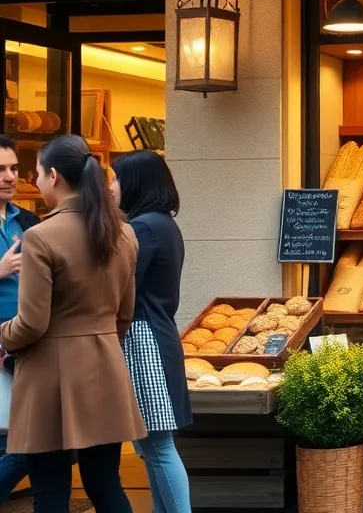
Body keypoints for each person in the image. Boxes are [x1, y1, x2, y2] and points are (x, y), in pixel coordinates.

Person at [0, 135, 145, 512]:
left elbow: (31, 322)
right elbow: (124, 313)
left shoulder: (40, 236)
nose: (31, 179)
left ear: (53, 176)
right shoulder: (124, 232)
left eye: (35, 173)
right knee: (106, 484)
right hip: (105, 366)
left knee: (50, 492)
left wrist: (3, 336)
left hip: (48, 375)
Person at [111, 151, 193, 513]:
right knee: (152, 448)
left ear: (134, 183)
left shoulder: (143, 227)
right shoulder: (163, 223)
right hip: (158, 334)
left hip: (143, 339)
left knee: (158, 447)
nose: (111, 186)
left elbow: (121, 288)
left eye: (115, 178)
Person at [0, 136, 35, 502]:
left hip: (24, 343)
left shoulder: (27, 220)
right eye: (0, 170)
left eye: (14, 168)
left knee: (27, 437)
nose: (10, 177)